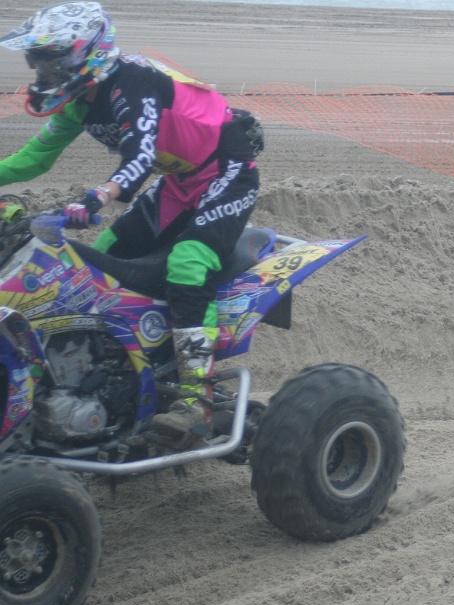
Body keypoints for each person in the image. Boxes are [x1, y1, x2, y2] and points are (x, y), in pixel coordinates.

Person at [0, 2, 264, 441]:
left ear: (83, 55)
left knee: (188, 263)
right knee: (95, 262)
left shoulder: (132, 83)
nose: (43, 73)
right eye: (38, 63)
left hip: (227, 172)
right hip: (180, 181)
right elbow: (35, 159)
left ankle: (195, 397)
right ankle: (115, 374)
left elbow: (139, 155)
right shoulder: (76, 103)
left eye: (51, 63)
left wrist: (97, 196)